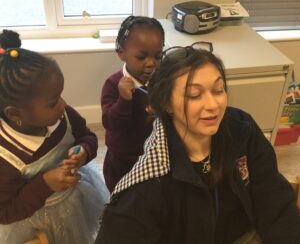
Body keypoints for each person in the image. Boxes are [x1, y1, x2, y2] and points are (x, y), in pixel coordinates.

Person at [96, 43, 300, 244]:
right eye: (194, 95)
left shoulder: (242, 129)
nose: (213, 105)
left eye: (218, 90)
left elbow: (275, 201)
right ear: (166, 104)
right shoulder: (149, 183)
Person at [0, 48, 109, 244]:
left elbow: (86, 135)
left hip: (75, 200)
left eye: (60, 95)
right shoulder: (6, 158)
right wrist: (45, 184)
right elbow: (5, 211)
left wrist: (84, 150)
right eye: (52, 103)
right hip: (34, 224)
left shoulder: (63, 115)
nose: (64, 104)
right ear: (15, 114)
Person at [101, 15, 165, 192]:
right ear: (122, 53)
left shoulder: (161, 81)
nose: (151, 63)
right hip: (122, 160)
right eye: (142, 57)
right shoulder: (113, 84)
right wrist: (124, 100)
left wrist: (161, 109)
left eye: (158, 56)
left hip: (154, 155)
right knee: (121, 196)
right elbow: (110, 123)